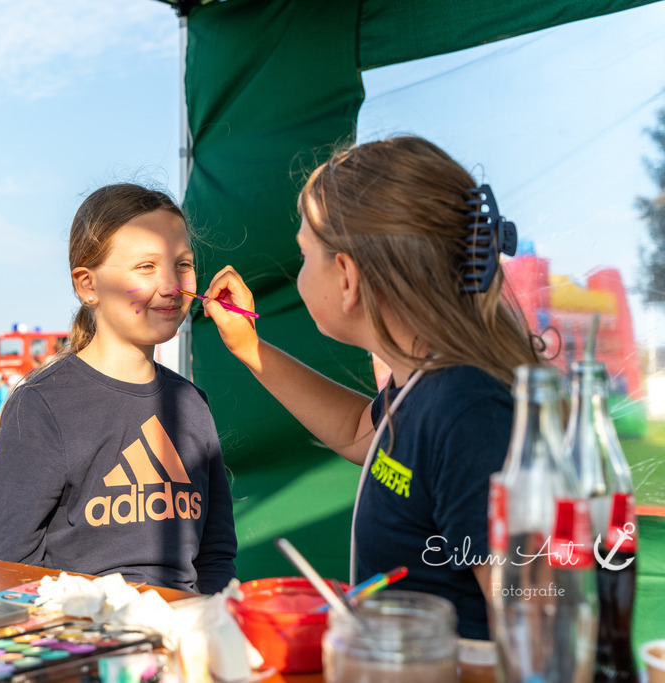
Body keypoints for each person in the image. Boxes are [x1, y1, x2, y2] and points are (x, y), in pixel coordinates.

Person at [202, 136, 543, 638]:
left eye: (304, 255)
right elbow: (356, 431)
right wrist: (249, 347)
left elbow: (536, 633)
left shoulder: (469, 414)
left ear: (347, 277)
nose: (299, 272)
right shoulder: (425, 388)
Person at [0, 183, 238, 595]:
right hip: (85, 627)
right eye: (146, 267)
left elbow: (216, 555)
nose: (171, 285)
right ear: (88, 286)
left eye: (183, 264)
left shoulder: (192, 404)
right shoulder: (42, 405)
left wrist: (209, 620)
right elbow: (6, 568)